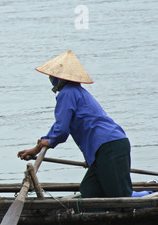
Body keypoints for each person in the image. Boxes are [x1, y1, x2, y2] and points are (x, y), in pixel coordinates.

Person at [17, 50, 133, 198]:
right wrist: (37, 148)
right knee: (90, 189)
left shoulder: (67, 94)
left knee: (119, 195)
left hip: (109, 146)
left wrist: (49, 142)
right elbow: (59, 125)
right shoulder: (76, 92)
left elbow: (62, 131)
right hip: (107, 147)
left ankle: (146, 201)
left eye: (52, 76)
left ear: (59, 78)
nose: (50, 79)